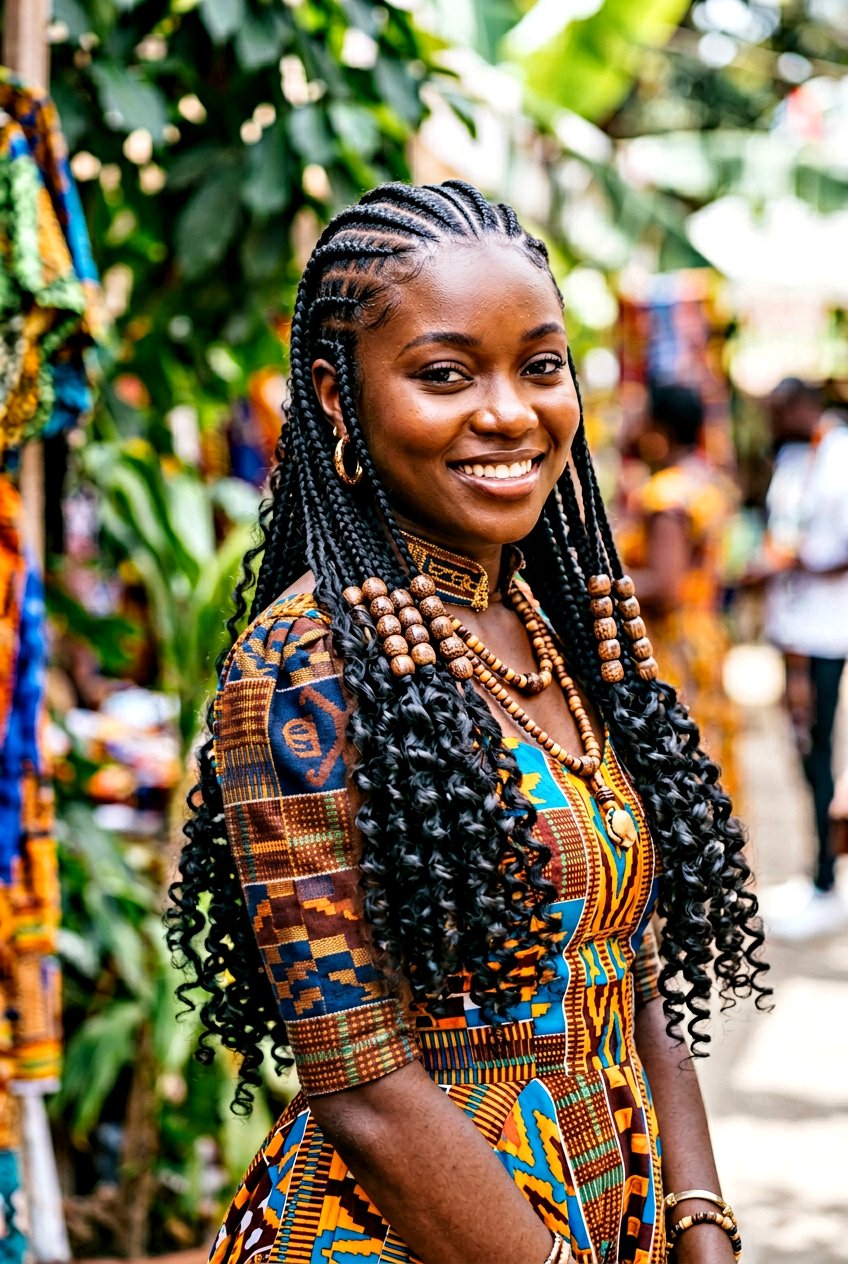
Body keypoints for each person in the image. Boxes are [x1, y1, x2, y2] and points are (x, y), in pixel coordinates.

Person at [167, 182, 768, 1264]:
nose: (507, 411)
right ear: (338, 398)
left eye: (539, 366)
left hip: (607, 1214)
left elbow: (635, 969)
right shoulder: (305, 665)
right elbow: (360, 1082)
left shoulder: (550, 622)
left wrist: (697, 1221)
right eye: (445, 374)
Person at [754, 379, 848, 941]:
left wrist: (790, 565)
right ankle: (818, 876)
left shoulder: (839, 457)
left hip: (826, 634)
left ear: (800, 407)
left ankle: (826, 880)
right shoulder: (797, 457)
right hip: (794, 632)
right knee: (802, 748)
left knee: (819, 756)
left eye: (775, 410)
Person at [618, 384, 739, 799]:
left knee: (678, 769)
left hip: (668, 647)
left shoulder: (665, 495)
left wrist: (593, 580)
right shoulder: (708, 480)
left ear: (658, 429)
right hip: (705, 634)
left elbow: (665, 587)